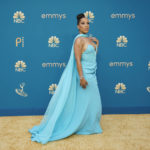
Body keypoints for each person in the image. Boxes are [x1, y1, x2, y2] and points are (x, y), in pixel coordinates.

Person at [28, 13, 103, 144]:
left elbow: (92, 55)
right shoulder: (78, 40)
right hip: (85, 75)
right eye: (83, 23)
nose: (86, 25)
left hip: (93, 74)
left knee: (92, 103)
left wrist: (97, 43)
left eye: (88, 23)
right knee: (86, 102)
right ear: (78, 26)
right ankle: (82, 126)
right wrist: (81, 77)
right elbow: (78, 60)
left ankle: (89, 126)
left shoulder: (90, 39)